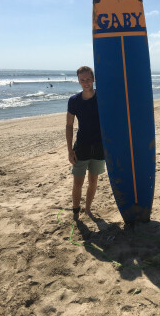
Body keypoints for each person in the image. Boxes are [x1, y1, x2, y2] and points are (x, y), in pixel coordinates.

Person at [66, 66, 105, 220]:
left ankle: (88, 209)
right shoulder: (74, 100)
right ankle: (76, 211)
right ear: (78, 81)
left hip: (99, 147)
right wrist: (70, 151)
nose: (86, 82)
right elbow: (69, 125)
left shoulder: (102, 97)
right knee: (78, 182)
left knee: (93, 181)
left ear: (93, 79)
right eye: (82, 80)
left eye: (88, 79)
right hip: (81, 147)